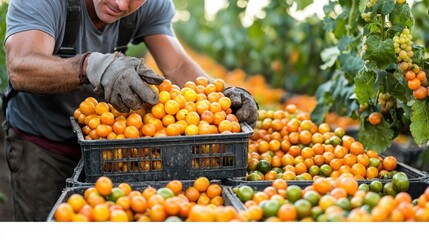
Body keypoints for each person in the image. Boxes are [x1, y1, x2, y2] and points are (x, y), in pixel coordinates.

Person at [3, 0, 258, 221]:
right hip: (44, 144)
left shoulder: (150, 5)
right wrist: (90, 65)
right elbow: (21, 66)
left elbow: (177, 65)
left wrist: (219, 96)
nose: (121, 5)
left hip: (112, 150)